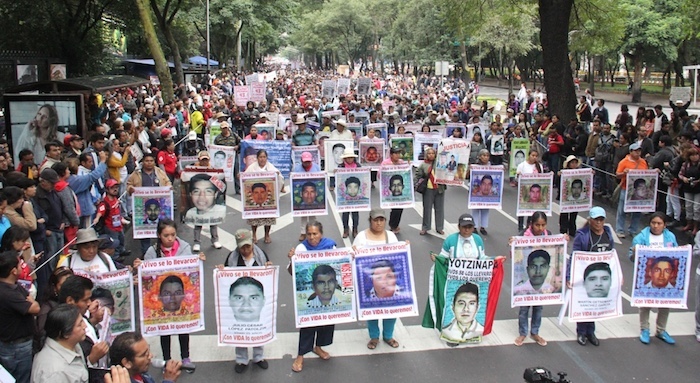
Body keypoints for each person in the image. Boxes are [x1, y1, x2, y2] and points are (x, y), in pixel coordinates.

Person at [134, 219, 205, 371]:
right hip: (162, 298)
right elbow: (146, 276)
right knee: (164, 329)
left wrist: (198, 260)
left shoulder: (185, 248)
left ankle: (185, 357)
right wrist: (140, 267)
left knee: (183, 327)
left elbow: (191, 271)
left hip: (181, 296)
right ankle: (167, 359)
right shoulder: (152, 252)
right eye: (166, 235)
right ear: (159, 235)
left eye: (173, 234)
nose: (170, 238)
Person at [217, 228, 272, 373]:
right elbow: (227, 277)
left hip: (255, 299)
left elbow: (267, 275)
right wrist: (222, 270)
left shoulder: (261, 255)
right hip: (240, 300)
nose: (246, 249)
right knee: (239, 328)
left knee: (259, 325)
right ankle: (241, 359)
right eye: (242, 247)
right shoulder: (232, 257)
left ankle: (258, 357)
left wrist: (268, 268)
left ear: (253, 243)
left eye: (248, 246)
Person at [288, 222, 336, 373]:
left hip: (328, 293)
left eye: (315, 234)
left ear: (321, 234)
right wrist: (292, 260)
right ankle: (301, 355)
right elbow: (292, 272)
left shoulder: (330, 246)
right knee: (308, 324)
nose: (312, 237)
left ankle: (318, 347)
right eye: (309, 234)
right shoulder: (301, 249)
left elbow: (340, 265)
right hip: (310, 292)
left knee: (325, 322)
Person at [352, 208, 401, 349]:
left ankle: (388, 336)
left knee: (391, 309)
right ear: (370, 221)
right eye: (375, 220)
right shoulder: (361, 237)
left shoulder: (391, 236)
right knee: (371, 308)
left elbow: (398, 255)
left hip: (388, 281)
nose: (379, 223)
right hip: (370, 282)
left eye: (381, 220)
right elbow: (353, 255)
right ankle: (374, 336)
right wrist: (353, 252)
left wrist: (405, 248)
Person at [512, 212, 558, 347]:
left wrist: (564, 239)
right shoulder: (523, 236)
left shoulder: (548, 235)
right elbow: (515, 256)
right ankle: (523, 332)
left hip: (541, 283)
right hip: (527, 280)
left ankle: (535, 332)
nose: (540, 228)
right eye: (537, 225)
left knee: (539, 306)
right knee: (524, 307)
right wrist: (512, 244)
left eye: (543, 225)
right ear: (531, 224)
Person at [630, 213, 678, 345]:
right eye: (653, 223)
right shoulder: (640, 238)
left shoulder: (670, 237)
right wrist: (635, 252)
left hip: (665, 278)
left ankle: (661, 330)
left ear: (665, 225)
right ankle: (644, 329)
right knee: (645, 304)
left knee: (665, 303)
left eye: (659, 223)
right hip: (647, 277)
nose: (656, 226)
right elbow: (632, 258)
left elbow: (677, 256)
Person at [571, 206, 613, 347]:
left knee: (595, 303)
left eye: (601, 220)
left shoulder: (608, 234)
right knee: (584, 303)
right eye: (596, 220)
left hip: (601, 274)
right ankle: (581, 332)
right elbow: (574, 256)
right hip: (585, 275)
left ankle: (591, 331)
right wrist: (569, 275)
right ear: (590, 220)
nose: (598, 223)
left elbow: (612, 255)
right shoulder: (582, 235)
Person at [0, 250, 40, 383]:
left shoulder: (14, 287)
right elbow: (35, 308)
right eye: (19, 266)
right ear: (13, 271)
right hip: (16, 348)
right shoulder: (8, 294)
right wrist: (32, 302)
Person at [127, 152, 172, 255]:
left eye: (151, 161)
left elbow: (167, 182)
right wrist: (131, 189)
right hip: (142, 207)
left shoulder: (159, 172)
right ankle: (146, 255)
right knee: (145, 236)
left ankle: (161, 254)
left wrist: (169, 187)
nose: (149, 163)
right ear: (143, 162)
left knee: (161, 232)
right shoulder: (136, 173)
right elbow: (129, 185)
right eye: (147, 161)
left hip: (158, 205)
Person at [30, 304, 88, 383]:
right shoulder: (55, 373)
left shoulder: (73, 345)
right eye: (79, 325)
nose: (85, 326)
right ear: (65, 334)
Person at [243, 149, 284, 243]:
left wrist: (277, 176)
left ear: (266, 158)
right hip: (255, 199)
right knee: (254, 218)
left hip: (267, 198)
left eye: (264, 157)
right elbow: (244, 178)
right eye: (260, 157)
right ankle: (254, 235)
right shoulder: (251, 168)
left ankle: (267, 235)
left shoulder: (271, 168)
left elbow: (280, 178)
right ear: (257, 158)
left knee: (268, 217)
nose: (262, 159)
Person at [109, 332, 181, 383]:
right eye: (143, 355)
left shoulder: (142, 374)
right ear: (127, 363)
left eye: (148, 351)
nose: (150, 356)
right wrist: (168, 380)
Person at [615, 142, 648, 238]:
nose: (638, 153)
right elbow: (617, 174)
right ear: (630, 152)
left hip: (638, 191)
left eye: (639, 151)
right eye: (635, 151)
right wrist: (624, 173)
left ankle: (633, 230)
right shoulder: (624, 162)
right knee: (622, 210)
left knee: (637, 211)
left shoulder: (643, 162)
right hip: (626, 189)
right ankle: (619, 229)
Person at [185, 174, 226, 250]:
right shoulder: (195, 171)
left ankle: (215, 240)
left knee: (213, 223)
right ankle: (197, 242)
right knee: (198, 224)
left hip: (212, 208)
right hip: (198, 211)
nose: (202, 196)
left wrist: (213, 178)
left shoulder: (212, 173)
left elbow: (222, 187)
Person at [415, 147, 445, 235]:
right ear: (426, 155)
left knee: (439, 209)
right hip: (428, 189)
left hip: (440, 188)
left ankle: (439, 227)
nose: (431, 155)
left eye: (433, 153)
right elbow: (417, 175)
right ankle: (425, 227)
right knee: (427, 209)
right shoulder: (423, 165)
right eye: (429, 153)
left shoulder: (440, 163)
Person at [336, 148, 362, 238]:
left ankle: (355, 229)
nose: (349, 159)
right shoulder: (341, 167)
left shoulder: (358, 166)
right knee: (345, 214)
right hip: (345, 196)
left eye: (351, 157)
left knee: (355, 214)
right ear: (344, 158)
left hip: (356, 196)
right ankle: (345, 229)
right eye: (347, 158)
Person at [516, 149, 543, 231]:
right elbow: (517, 179)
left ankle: (528, 227)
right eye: (533, 155)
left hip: (534, 192)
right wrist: (518, 175)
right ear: (529, 155)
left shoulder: (539, 166)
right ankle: (520, 227)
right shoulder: (522, 165)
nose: (534, 157)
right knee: (522, 210)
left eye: (536, 156)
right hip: (524, 192)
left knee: (532, 211)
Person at [382, 147, 408, 233]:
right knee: (394, 208)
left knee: (400, 208)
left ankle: (394, 225)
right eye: (395, 153)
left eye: (398, 153)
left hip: (400, 190)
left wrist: (408, 165)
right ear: (391, 155)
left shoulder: (401, 163)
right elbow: (380, 175)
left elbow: (406, 174)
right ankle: (393, 225)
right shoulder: (385, 163)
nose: (397, 155)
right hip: (390, 190)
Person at [559, 155, 582, 236]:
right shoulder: (564, 172)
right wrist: (559, 176)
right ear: (568, 164)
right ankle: (563, 230)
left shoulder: (580, 172)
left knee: (573, 215)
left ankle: (572, 230)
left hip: (575, 200)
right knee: (564, 215)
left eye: (575, 163)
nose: (574, 164)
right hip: (566, 198)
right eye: (572, 162)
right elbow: (558, 183)